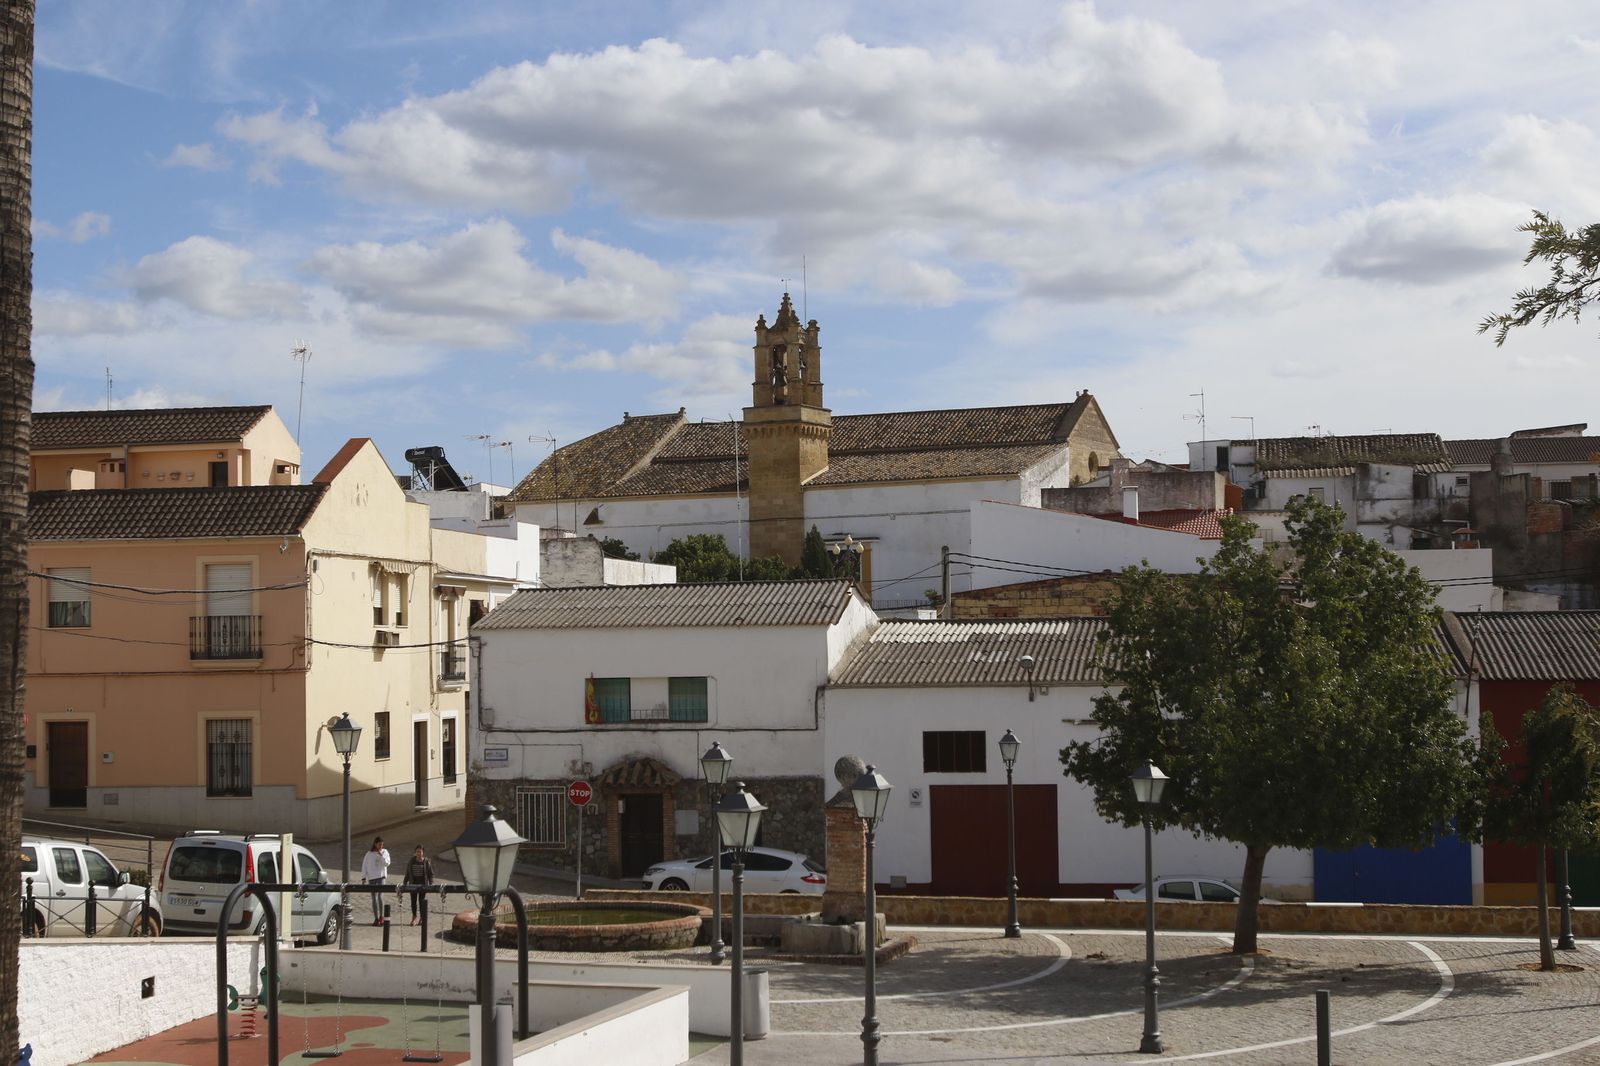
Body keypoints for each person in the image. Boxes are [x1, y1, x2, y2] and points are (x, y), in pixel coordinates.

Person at [361, 836, 391, 924]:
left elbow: (387, 863)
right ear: (375, 844)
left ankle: (382, 916)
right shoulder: (369, 854)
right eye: (379, 844)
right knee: (374, 897)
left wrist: (381, 856)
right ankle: (376, 918)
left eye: (382, 844)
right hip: (372, 877)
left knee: (380, 896)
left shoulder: (385, 852)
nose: (381, 846)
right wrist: (363, 877)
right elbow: (364, 865)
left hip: (381, 876)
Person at [403, 845, 435, 925]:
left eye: (420, 852)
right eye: (417, 851)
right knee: (413, 902)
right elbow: (408, 872)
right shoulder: (411, 861)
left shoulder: (426, 862)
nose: (418, 853)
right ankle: (414, 917)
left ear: (423, 853)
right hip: (413, 885)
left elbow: (430, 874)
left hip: (422, 886)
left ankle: (421, 918)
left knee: (421, 902)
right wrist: (405, 882)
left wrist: (431, 883)